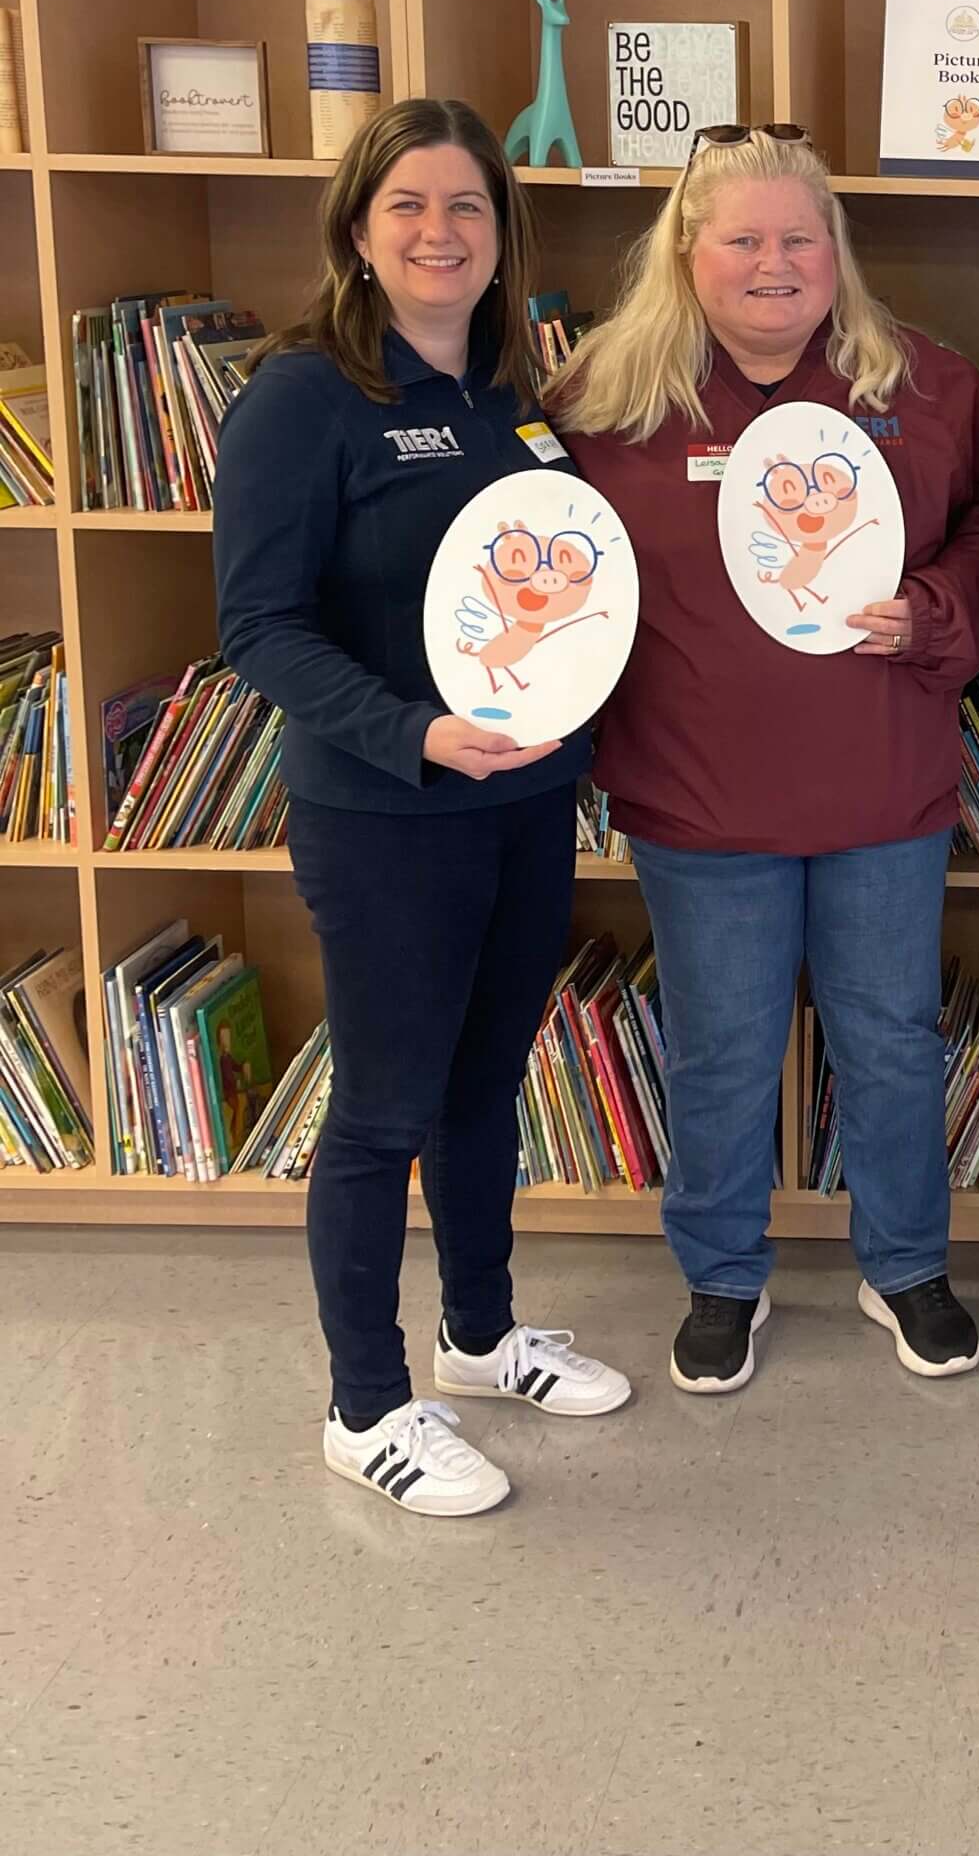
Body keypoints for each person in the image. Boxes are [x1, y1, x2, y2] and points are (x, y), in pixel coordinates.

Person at [214, 98, 630, 1521]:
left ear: (503, 236)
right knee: (382, 1111)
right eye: (409, 205)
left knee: (481, 1088)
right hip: (387, 812)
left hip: (525, 806)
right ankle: (365, 1404)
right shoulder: (302, 397)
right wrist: (412, 734)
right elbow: (257, 628)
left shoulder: (519, 394)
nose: (440, 232)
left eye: (466, 207)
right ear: (358, 228)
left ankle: (477, 1336)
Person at [553, 127, 979, 1393]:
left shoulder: (927, 387)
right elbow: (541, 557)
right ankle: (721, 1276)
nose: (773, 263)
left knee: (892, 1039)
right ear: (686, 251)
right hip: (697, 799)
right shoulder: (601, 402)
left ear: (835, 254)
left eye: (799, 238)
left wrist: (937, 610)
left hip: (881, 786)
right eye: (742, 238)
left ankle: (907, 1262)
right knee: (720, 1046)